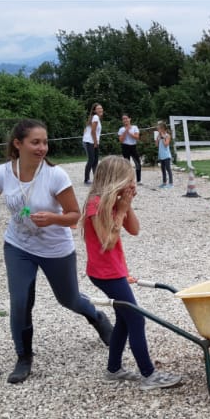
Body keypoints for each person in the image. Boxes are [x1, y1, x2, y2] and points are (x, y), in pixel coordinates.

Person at [0, 118, 115, 385]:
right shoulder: (2, 173)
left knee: (69, 299)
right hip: (19, 246)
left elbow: (75, 216)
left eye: (45, 142)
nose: (42, 148)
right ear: (18, 144)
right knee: (20, 301)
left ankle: (96, 317)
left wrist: (53, 218)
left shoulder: (55, 176)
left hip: (55, 248)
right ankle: (24, 356)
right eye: (35, 142)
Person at [83, 156, 182, 389]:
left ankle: (114, 369)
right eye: (128, 179)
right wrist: (121, 209)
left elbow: (135, 230)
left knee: (125, 319)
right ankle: (148, 374)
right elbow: (107, 242)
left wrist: (126, 206)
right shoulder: (95, 205)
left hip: (115, 270)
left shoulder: (114, 202)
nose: (132, 184)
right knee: (136, 319)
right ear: (114, 180)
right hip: (104, 272)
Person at [117, 113, 142, 183]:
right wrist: (125, 131)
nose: (125, 120)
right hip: (125, 147)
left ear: (129, 119)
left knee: (138, 163)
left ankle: (139, 180)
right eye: (123, 119)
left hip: (133, 146)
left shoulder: (135, 127)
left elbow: (137, 137)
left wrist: (129, 132)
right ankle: (127, 180)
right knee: (126, 164)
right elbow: (121, 140)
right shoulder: (121, 129)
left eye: (126, 118)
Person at [82, 105, 103, 185]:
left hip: (92, 141)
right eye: (98, 108)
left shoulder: (95, 118)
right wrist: (95, 142)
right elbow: (93, 131)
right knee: (91, 160)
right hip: (90, 141)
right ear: (94, 110)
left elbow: (86, 129)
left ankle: (96, 179)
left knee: (95, 160)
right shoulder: (95, 117)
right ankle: (86, 179)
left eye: (101, 108)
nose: (100, 109)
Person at [154, 122, 174, 188]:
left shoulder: (167, 135)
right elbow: (156, 145)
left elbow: (166, 145)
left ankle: (171, 183)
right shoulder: (159, 136)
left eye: (158, 129)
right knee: (163, 169)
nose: (157, 130)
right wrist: (157, 139)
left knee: (168, 169)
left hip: (166, 155)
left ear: (162, 129)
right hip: (161, 155)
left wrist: (162, 138)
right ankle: (164, 182)